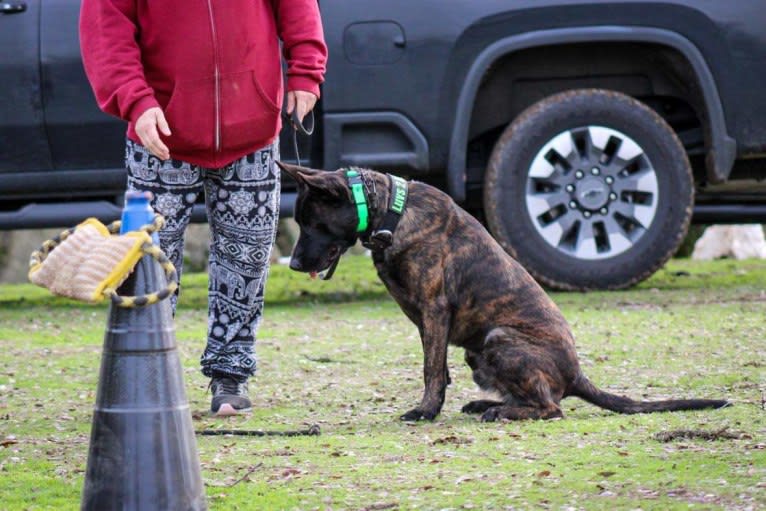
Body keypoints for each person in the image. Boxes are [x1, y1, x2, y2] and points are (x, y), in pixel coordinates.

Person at [79, 0, 327, 416]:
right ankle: (144, 378)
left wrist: (305, 70)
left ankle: (230, 375)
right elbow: (107, 32)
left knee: (245, 259)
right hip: (159, 135)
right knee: (147, 264)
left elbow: (298, 7)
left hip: (253, 130)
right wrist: (135, 101)